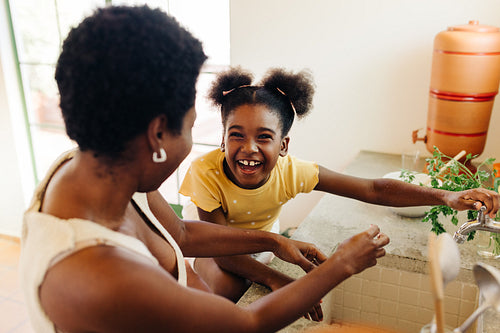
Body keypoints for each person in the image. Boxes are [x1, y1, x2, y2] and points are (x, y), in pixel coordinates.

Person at [20, 5, 391, 333]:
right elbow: (248, 323)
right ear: (157, 134)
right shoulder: (97, 274)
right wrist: (342, 264)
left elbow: (180, 233)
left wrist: (273, 241)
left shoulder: (104, 165)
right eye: (192, 123)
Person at [179, 66, 500, 301]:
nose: (248, 148)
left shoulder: (292, 171)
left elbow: (372, 188)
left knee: (255, 297)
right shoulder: (206, 172)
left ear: (284, 145)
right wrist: (278, 280)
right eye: (236, 135)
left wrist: (446, 195)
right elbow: (222, 253)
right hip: (215, 251)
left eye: (264, 137)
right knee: (224, 291)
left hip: (265, 247)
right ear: (222, 139)